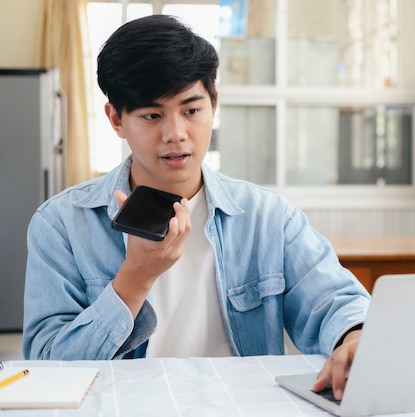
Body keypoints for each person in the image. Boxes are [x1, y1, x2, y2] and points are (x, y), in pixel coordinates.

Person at [22, 14, 370, 400]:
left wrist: (355, 336)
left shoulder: (267, 217)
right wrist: (133, 280)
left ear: (214, 104)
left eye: (191, 110)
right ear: (116, 119)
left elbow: (335, 300)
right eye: (152, 115)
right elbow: (45, 366)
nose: (176, 134)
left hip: (243, 406)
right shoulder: (61, 224)